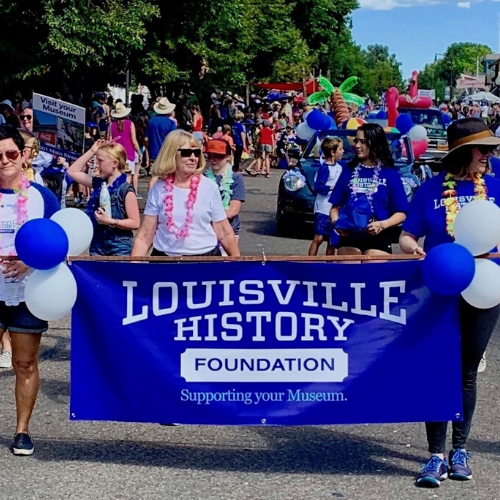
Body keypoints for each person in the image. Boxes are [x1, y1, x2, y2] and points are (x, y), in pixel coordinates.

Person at [399, 118, 500, 487]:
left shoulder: (495, 186)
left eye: (491, 149)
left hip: (486, 288)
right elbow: (408, 236)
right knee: (438, 366)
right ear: (461, 152)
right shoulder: (429, 191)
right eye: (483, 149)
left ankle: (460, 449)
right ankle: (435, 455)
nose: (489, 155)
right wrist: (415, 250)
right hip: (439, 289)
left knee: (467, 370)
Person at [0, 125, 60, 455]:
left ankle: (22, 430)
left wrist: (30, 261)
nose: (4, 161)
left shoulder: (42, 197)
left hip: (27, 291)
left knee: (24, 364)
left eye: (11, 153)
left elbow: (58, 243)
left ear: (23, 155)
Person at [132, 130, 240, 257]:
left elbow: (224, 232)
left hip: (204, 262)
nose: (193, 158)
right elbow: (145, 236)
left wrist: (240, 268)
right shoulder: (158, 189)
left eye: (196, 153)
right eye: (186, 153)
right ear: (171, 154)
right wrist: (133, 268)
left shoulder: (209, 187)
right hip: (165, 262)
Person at [329, 123, 408, 256]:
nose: (357, 145)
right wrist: (337, 223)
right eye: (356, 141)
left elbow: (401, 213)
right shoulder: (348, 170)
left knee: (372, 271)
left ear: (375, 144)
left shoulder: (389, 173)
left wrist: (382, 225)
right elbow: (335, 207)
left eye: (363, 142)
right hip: (350, 235)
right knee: (350, 274)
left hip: (379, 236)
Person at [68, 141, 140, 256]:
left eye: (100, 161)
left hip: (119, 245)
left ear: (115, 163)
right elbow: (72, 171)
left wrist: (111, 221)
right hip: (98, 243)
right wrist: (91, 151)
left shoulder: (125, 190)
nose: (97, 165)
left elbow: (135, 223)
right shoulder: (98, 184)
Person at [204, 139, 245, 254]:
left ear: (227, 157)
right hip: (205, 231)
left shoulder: (236, 178)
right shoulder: (202, 178)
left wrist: (205, 216)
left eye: (218, 156)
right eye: (210, 156)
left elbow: (233, 210)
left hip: (229, 231)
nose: (213, 160)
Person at [308, 137, 344, 256]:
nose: (343, 151)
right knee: (318, 238)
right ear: (333, 152)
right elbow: (318, 187)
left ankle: (329, 265)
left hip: (335, 208)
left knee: (332, 241)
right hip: (323, 207)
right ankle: (310, 263)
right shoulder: (324, 168)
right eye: (340, 149)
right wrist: (332, 187)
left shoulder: (340, 166)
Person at [108, 102, 142, 197]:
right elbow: (134, 141)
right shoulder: (130, 124)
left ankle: (116, 194)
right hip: (129, 154)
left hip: (116, 154)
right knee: (128, 176)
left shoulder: (111, 125)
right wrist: (139, 153)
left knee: (116, 175)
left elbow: (109, 140)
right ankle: (125, 196)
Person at [145, 97, 177, 167]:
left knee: (155, 175)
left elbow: (146, 139)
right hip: (166, 154)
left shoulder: (151, 121)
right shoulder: (171, 123)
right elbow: (174, 140)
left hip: (153, 153)